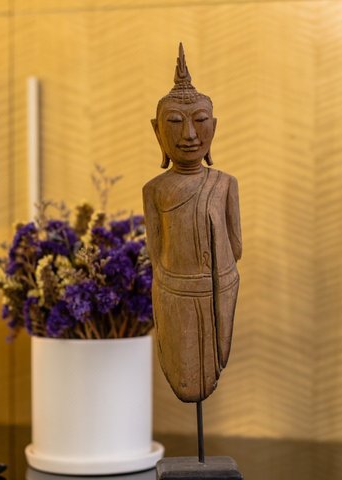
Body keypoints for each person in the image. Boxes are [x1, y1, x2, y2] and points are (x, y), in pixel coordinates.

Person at [143, 43, 242, 403]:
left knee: (211, 367)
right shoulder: (154, 190)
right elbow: (155, 251)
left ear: (214, 127)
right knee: (184, 377)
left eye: (200, 121)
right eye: (174, 122)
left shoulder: (224, 184)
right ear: (158, 131)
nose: (188, 134)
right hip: (173, 292)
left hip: (218, 286)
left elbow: (236, 246)